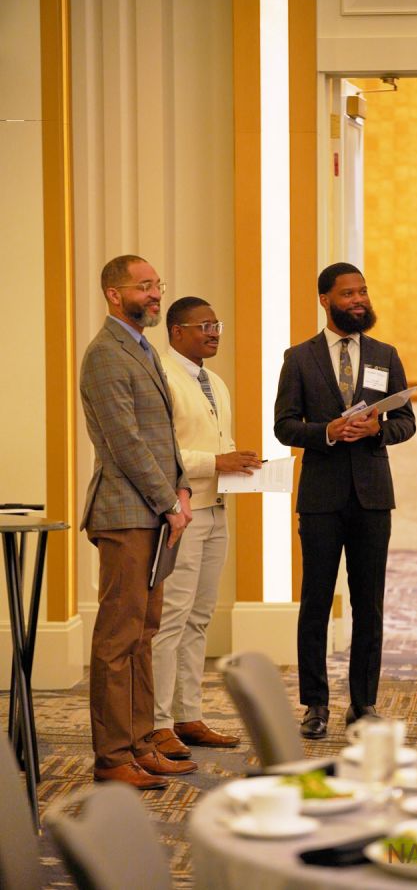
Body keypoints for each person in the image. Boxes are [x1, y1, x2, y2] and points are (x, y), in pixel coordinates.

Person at [274, 262, 416, 739]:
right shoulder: (299, 358)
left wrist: (378, 429)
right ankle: (315, 705)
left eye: (363, 292)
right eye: (349, 294)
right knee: (315, 602)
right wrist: (327, 431)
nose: (359, 300)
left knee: (368, 603)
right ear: (325, 300)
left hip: (372, 497)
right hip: (320, 497)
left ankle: (363, 703)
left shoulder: (385, 355)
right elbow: (284, 426)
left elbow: (407, 422)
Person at [80, 254, 198, 789]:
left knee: (144, 634)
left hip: (154, 512)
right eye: (144, 286)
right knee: (118, 638)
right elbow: (126, 443)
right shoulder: (105, 353)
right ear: (114, 294)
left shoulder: (143, 348)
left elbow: (164, 435)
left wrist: (181, 489)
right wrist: (169, 501)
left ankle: (141, 742)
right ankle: (112, 758)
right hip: (126, 513)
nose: (155, 294)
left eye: (157, 285)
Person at [150, 297, 261, 759]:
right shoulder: (161, 376)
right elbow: (162, 451)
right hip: (182, 512)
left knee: (199, 619)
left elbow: (219, 444)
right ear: (177, 331)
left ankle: (188, 715)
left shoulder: (214, 381)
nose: (214, 333)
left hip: (216, 509)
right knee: (171, 620)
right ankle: (158, 724)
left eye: (217, 325)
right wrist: (217, 461)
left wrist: (242, 464)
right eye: (204, 326)